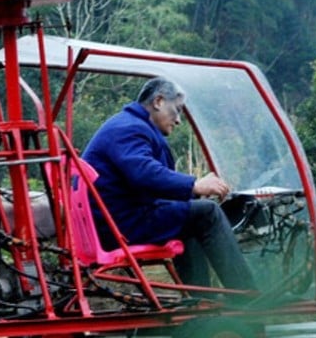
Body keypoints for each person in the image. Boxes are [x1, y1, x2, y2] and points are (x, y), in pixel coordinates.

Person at [80, 77, 256, 291]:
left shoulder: (130, 125)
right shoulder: (129, 129)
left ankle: (200, 302)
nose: (179, 120)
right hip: (121, 225)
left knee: (189, 218)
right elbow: (143, 173)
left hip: (120, 220)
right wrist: (195, 185)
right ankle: (249, 297)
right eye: (178, 109)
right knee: (208, 213)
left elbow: (147, 180)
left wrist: (191, 193)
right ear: (159, 101)